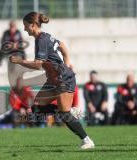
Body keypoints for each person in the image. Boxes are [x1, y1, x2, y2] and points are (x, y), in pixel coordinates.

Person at [9, 12, 94, 149]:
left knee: (64, 114)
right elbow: (62, 45)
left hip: (63, 78)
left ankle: (86, 140)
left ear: (33, 25)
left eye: (25, 26)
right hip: (54, 79)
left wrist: (20, 61)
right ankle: (70, 111)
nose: (24, 29)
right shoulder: (46, 36)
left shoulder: (41, 39)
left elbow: (38, 64)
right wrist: (67, 63)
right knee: (37, 105)